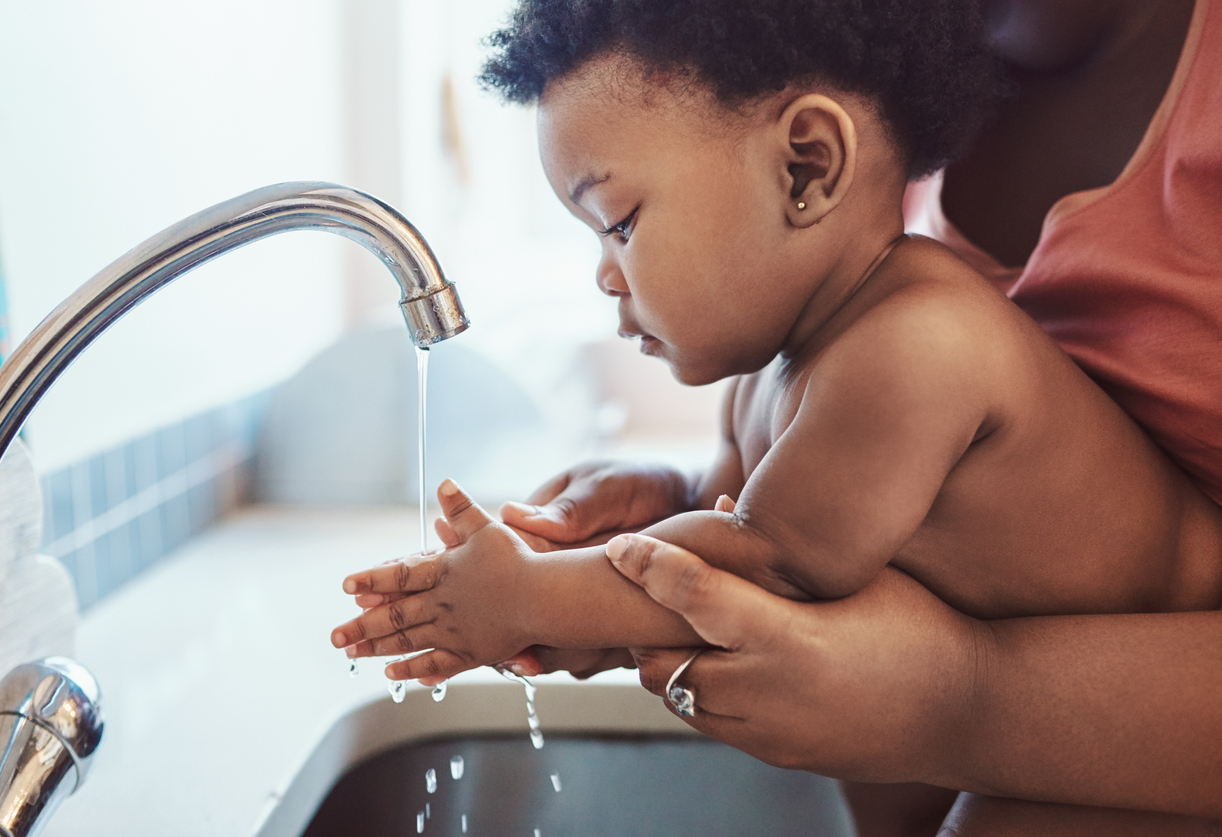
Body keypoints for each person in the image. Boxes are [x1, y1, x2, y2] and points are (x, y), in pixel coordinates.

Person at [328, 1, 1222, 833]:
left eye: (620, 223)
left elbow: (764, 568)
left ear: (808, 168)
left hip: (1140, 759)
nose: (604, 274)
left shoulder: (915, 346)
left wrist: (528, 598)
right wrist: (657, 498)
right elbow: (733, 513)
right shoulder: (785, 365)